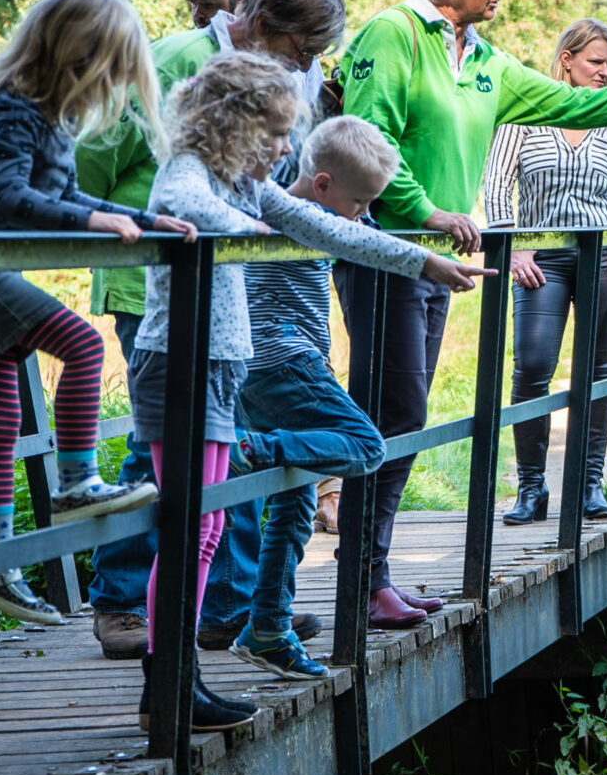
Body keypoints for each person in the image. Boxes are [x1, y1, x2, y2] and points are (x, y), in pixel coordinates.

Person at [335, 0, 607, 630]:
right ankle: (364, 579)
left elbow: (579, 104)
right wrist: (426, 211)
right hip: (387, 249)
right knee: (392, 414)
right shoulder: (392, 34)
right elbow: (369, 135)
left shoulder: (484, 60)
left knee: (403, 413)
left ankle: (373, 575)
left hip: (436, 257)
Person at [130, 50, 488, 730]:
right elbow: (179, 204)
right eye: (273, 134)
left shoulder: (250, 186)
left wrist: (424, 261)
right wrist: (253, 233)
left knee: (263, 507)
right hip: (211, 362)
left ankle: (249, 635)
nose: (284, 148)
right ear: (232, 126)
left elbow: (334, 230)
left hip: (230, 365)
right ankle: (170, 681)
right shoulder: (206, 179)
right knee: (353, 448)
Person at [76, 0, 347, 660]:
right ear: (260, 24)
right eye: (298, 52)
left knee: (229, 452)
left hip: (232, 290)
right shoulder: (172, 61)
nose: (304, 68)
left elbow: (273, 193)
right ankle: (121, 605)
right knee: (157, 456)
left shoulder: (274, 83)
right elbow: (95, 159)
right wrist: (124, 228)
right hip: (157, 282)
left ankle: (227, 605)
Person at [0, 0, 199, 624]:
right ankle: (76, 483)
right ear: (79, 56)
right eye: (111, 69)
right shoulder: (12, 111)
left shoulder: (55, 120)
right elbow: (6, 199)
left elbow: (72, 199)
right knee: (82, 343)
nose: (113, 87)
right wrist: (102, 220)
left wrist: (149, 220)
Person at [229, 115, 485, 678]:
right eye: (360, 201)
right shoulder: (307, 216)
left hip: (256, 371)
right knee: (366, 446)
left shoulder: (275, 207)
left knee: (294, 504)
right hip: (286, 364)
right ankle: (249, 450)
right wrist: (429, 263)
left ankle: (267, 626)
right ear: (322, 185)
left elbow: (357, 231)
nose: (364, 212)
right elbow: (358, 240)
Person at [482, 18, 607, 526]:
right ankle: (531, 489)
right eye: (596, 61)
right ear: (567, 60)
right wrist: (514, 249)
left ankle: (588, 486)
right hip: (540, 258)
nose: (604, 71)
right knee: (532, 366)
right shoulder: (523, 114)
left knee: (597, 368)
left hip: (604, 257)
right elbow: (494, 189)